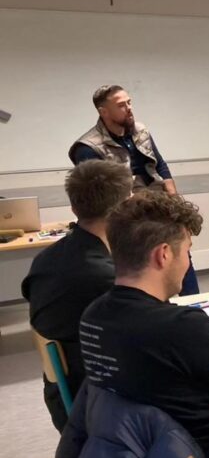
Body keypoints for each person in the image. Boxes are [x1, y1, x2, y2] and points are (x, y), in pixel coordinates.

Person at [80, 190, 209, 458]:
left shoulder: (93, 315)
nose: (187, 262)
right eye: (187, 250)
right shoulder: (181, 327)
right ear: (164, 254)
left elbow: (163, 375)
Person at [21, 159, 132, 430]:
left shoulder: (45, 258)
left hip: (63, 395)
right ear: (125, 209)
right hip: (97, 405)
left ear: (73, 207)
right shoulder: (105, 278)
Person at [70, 84, 199, 293]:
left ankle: (191, 303)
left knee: (180, 252)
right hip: (127, 216)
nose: (129, 108)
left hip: (159, 206)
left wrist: (175, 205)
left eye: (129, 102)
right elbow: (100, 196)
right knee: (145, 268)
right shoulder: (88, 147)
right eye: (121, 105)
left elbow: (160, 166)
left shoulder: (140, 130)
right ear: (104, 112)